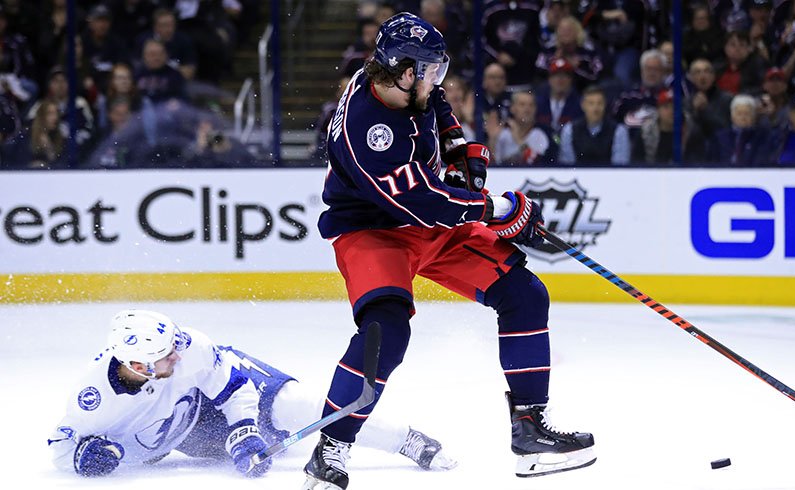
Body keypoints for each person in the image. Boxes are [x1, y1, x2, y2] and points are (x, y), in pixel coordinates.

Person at [308, 11, 595, 490]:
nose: (438, 79)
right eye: (430, 70)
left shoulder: (394, 79)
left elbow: (437, 103)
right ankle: (330, 448)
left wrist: (459, 147)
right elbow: (422, 201)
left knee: (524, 294)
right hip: (374, 231)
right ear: (403, 72)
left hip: (429, 221)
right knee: (387, 330)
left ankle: (529, 432)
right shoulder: (369, 132)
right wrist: (496, 208)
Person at [48, 309, 456, 478]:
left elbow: (233, 388)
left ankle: (407, 440)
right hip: (188, 434)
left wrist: (243, 429)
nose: (178, 351)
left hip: (221, 391)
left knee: (296, 407)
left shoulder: (190, 349)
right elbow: (61, 446)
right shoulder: (93, 398)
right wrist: (86, 457)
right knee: (272, 439)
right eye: (165, 354)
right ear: (137, 367)